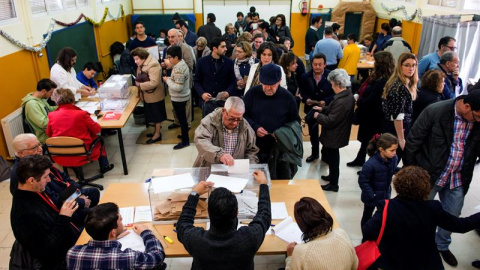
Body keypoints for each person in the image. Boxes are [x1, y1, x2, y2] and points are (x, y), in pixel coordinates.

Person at [404, 91, 480, 267]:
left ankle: (442, 245)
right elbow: (413, 141)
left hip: (458, 177)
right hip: (429, 176)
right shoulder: (436, 111)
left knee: (452, 215)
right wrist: (412, 173)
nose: (477, 121)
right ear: (466, 106)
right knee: (417, 213)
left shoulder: (477, 120)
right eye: (475, 117)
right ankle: (413, 245)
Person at [362, 166, 480, 270]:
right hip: (424, 260)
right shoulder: (434, 208)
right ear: (425, 187)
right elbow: (461, 226)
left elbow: (368, 230)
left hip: (394, 260)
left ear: (397, 185)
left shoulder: (387, 207)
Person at [177, 170, 271, 270]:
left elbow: (183, 224)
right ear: (237, 212)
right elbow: (264, 215)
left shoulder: (196, 240)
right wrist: (263, 185)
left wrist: (194, 194)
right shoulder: (249, 238)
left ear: (208, 212)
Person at [10, 133, 100, 226]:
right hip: (59, 207)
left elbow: (63, 177)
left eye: (39, 145)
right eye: (34, 148)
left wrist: (78, 193)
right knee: (97, 215)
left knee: (93, 193)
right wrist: (80, 201)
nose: (40, 149)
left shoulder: (37, 160)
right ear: (21, 153)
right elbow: (53, 201)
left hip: (65, 195)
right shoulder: (25, 173)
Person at [11, 155, 81, 269]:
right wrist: (64, 217)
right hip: (61, 259)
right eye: (46, 177)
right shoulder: (26, 213)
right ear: (31, 180)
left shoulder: (34, 190)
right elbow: (47, 250)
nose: (49, 180)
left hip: (70, 238)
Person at [66, 203, 166, 270]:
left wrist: (113, 239)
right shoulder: (128, 257)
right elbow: (157, 256)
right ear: (112, 232)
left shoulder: (72, 252)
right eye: (120, 219)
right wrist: (146, 232)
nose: (122, 218)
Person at [46, 88, 114, 173]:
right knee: (99, 139)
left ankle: (73, 170)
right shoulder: (81, 114)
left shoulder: (52, 115)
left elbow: (48, 133)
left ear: (56, 101)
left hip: (60, 152)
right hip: (83, 151)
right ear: (72, 98)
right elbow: (97, 129)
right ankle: (104, 166)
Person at [244, 63, 300, 164]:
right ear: (260, 81)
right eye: (265, 84)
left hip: (280, 149)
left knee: (279, 178)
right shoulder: (251, 94)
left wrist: (281, 133)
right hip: (254, 148)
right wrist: (255, 127)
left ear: (279, 81)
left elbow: (295, 122)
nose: (269, 88)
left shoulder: (288, 97)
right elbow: (243, 116)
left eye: (272, 85)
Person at [348, 51, 395, 167]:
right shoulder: (379, 77)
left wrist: (358, 101)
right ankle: (360, 158)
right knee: (366, 140)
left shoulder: (383, 80)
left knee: (372, 141)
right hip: (370, 114)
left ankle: (371, 165)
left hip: (374, 116)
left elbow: (372, 99)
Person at [312, 69, 355, 192]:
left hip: (335, 134)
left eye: (332, 84)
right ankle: (332, 177)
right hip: (338, 133)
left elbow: (331, 120)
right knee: (332, 158)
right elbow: (333, 109)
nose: (331, 86)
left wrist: (317, 116)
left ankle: (333, 184)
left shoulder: (342, 100)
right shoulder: (346, 95)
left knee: (334, 159)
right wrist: (322, 109)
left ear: (337, 83)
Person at [285, 197, 358, 270]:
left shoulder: (301, 252)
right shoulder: (342, 234)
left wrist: (290, 257)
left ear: (302, 225)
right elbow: (355, 265)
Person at [193, 96, 258, 167]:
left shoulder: (245, 127)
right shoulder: (209, 121)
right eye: (231, 118)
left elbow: (251, 150)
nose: (235, 123)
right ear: (224, 111)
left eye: (239, 119)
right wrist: (219, 154)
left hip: (234, 171)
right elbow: (201, 140)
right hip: (210, 168)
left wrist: (251, 167)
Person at [382, 52, 418, 161]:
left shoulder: (405, 83)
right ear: (400, 66)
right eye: (407, 65)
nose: (411, 68)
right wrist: (401, 139)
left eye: (413, 65)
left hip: (399, 127)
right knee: (392, 159)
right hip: (396, 129)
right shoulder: (399, 87)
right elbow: (397, 116)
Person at [358, 133, 399, 228]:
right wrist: (372, 194)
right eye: (392, 150)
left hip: (385, 194)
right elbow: (363, 182)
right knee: (367, 215)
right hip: (371, 197)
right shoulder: (370, 164)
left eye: (395, 150)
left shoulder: (393, 159)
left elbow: (392, 169)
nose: (395, 153)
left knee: (383, 216)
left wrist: (402, 170)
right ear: (381, 149)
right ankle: (366, 236)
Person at [299, 54, 334, 163]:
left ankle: (326, 154)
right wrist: (306, 99)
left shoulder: (331, 76)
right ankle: (314, 153)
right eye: (315, 64)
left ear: (325, 64)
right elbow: (302, 92)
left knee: (326, 133)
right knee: (313, 133)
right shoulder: (305, 76)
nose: (317, 67)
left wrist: (326, 101)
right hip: (311, 109)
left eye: (320, 64)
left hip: (326, 109)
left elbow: (334, 93)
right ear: (311, 64)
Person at [130, 47, 166, 144]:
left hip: (154, 95)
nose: (135, 61)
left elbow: (154, 82)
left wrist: (140, 85)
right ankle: (156, 132)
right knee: (152, 116)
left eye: (137, 59)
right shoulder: (142, 63)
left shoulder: (153, 64)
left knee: (157, 116)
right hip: (147, 95)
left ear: (143, 57)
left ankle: (157, 135)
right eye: (134, 59)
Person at [194, 37, 236, 115]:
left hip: (223, 101)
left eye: (225, 46)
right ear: (214, 48)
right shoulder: (202, 62)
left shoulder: (229, 62)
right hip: (207, 102)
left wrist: (228, 92)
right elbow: (197, 81)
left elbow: (233, 81)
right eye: (223, 47)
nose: (226, 49)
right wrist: (202, 93)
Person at [163, 45, 191, 150]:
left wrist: (167, 80)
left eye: (170, 57)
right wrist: (171, 78)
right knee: (181, 119)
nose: (168, 60)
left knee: (182, 120)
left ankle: (185, 141)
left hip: (179, 97)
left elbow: (178, 87)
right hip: (180, 97)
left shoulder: (179, 68)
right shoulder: (180, 64)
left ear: (175, 57)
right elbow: (177, 80)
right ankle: (184, 135)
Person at [21, 78, 58, 143]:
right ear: (44, 91)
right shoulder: (32, 104)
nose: (51, 95)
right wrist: (59, 118)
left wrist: (63, 107)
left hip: (49, 131)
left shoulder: (40, 99)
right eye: (51, 92)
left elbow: (49, 109)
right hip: (43, 137)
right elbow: (43, 124)